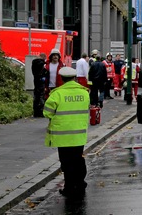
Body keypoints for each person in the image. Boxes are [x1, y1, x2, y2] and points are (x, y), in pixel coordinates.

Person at [43, 67, 90, 198]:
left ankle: (69, 187)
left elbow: (47, 112)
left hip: (62, 136)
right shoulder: (84, 93)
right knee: (78, 159)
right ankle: (80, 182)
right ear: (74, 78)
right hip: (79, 135)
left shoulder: (57, 94)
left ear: (62, 79)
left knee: (66, 162)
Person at [31, 53, 48, 117]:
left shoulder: (34, 63)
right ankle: (40, 112)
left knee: (36, 97)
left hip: (36, 81)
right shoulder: (41, 63)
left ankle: (36, 112)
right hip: (40, 83)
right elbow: (43, 72)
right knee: (41, 97)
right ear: (43, 57)